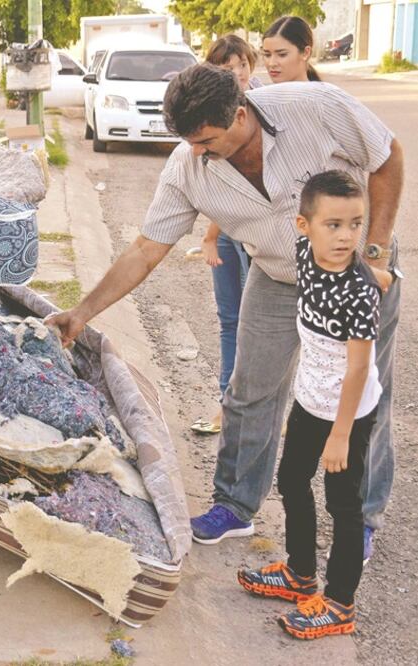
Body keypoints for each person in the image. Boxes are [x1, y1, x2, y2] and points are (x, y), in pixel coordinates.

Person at [45, 64, 404, 558]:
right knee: (248, 391)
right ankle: (234, 505)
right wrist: (83, 311)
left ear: (239, 115)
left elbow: (386, 158)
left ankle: (360, 520)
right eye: (189, 142)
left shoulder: (316, 107)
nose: (196, 152)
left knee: (362, 396)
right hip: (277, 274)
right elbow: (147, 248)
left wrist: (376, 255)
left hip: (356, 270)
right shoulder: (186, 165)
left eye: (206, 141)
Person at [237, 171, 396, 639]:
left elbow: (359, 370)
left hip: (347, 412)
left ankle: (340, 605)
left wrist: (342, 434)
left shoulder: (357, 293)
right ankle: (300, 574)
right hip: (310, 399)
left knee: (343, 505)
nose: (346, 236)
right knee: (290, 480)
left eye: (355, 224)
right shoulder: (305, 254)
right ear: (304, 226)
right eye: (334, 224)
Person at [191, 35, 261, 435]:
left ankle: (258, 409)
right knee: (231, 320)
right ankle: (227, 407)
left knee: (262, 324)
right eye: (225, 67)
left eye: (242, 66)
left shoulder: (262, 108)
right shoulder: (210, 115)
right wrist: (212, 235)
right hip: (229, 231)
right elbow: (219, 187)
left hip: (258, 237)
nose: (236, 74)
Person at [262, 15, 320, 84]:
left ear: (306, 53)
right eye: (267, 55)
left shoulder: (327, 93)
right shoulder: (257, 93)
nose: (272, 63)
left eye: (282, 55)